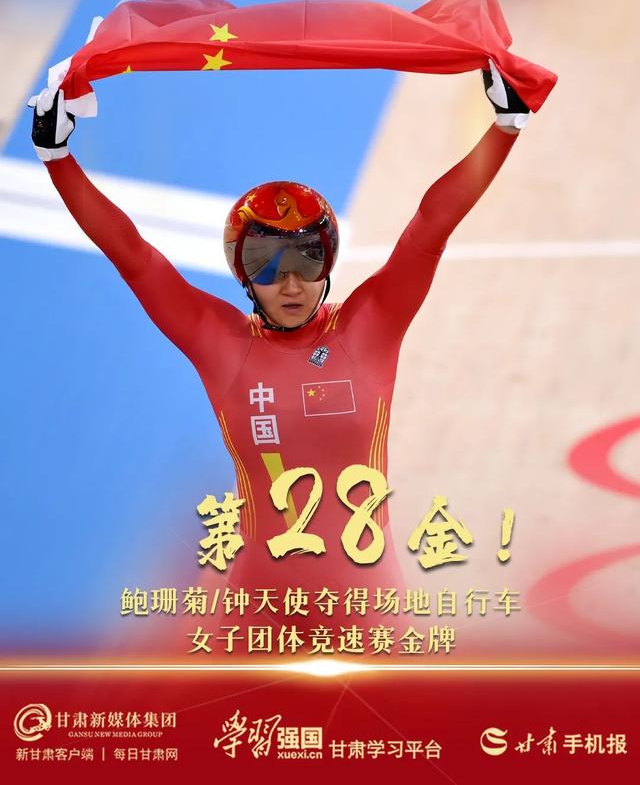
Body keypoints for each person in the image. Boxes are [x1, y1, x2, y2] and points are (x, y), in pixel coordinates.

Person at [29, 61, 530, 641]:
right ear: (242, 273)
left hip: (368, 613)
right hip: (256, 613)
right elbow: (133, 255)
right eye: (267, 267)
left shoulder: (371, 326)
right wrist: (57, 158)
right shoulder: (219, 343)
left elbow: (431, 223)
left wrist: (506, 127)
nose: (290, 285)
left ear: (328, 262)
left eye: (306, 262)